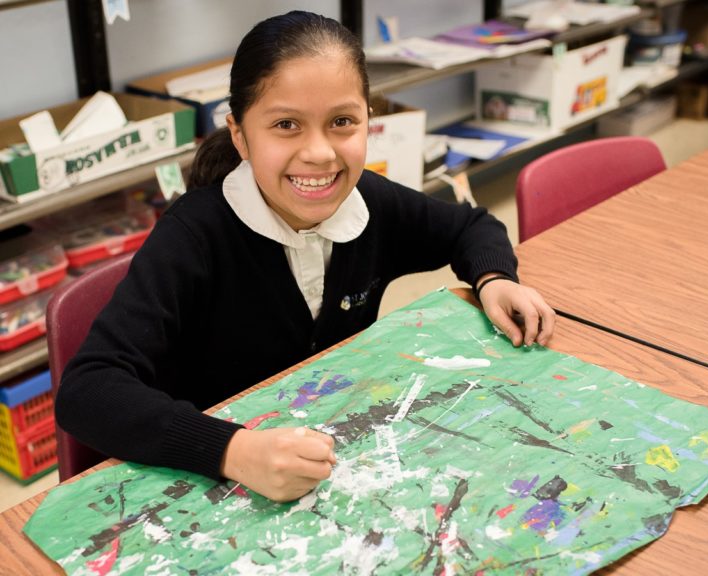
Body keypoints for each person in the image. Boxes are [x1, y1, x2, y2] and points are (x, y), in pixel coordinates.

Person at [56, 10, 555, 503]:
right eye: (286, 125)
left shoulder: (369, 203)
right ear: (240, 135)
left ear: (368, 122)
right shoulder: (195, 234)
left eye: (342, 122)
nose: (319, 153)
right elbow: (87, 390)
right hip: (214, 485)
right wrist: (231, 450)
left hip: (332, 457)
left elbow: (471, 226)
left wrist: (494, 278)